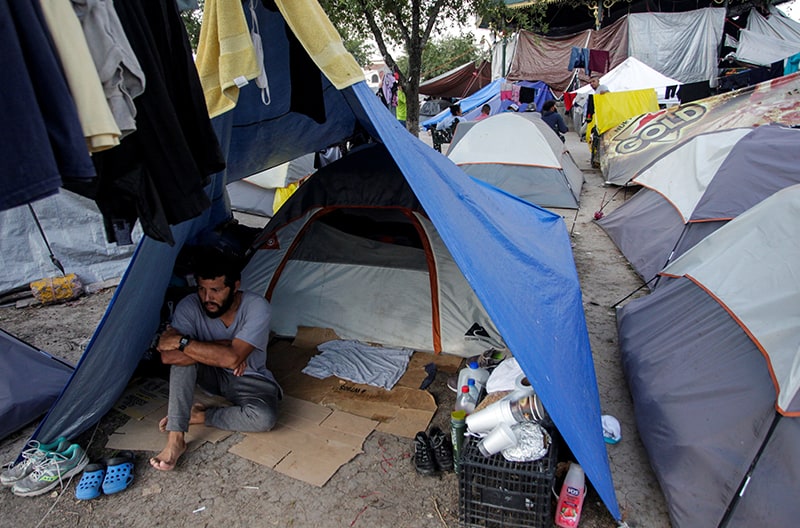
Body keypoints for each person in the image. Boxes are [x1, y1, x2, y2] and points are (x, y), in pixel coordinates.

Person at [150, 250, 282, 471]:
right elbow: (168, 356)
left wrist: (183, 342)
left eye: (216, 290)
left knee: (264, 419)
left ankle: (202, 415)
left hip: (248, 377)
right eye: (202, 289)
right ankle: (176, 439)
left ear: (235, 286)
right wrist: (223, 349)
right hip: (209, 373)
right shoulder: (189, 305)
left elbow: (232, 359)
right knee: (182, 362)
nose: (207, 298)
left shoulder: (257, 307)